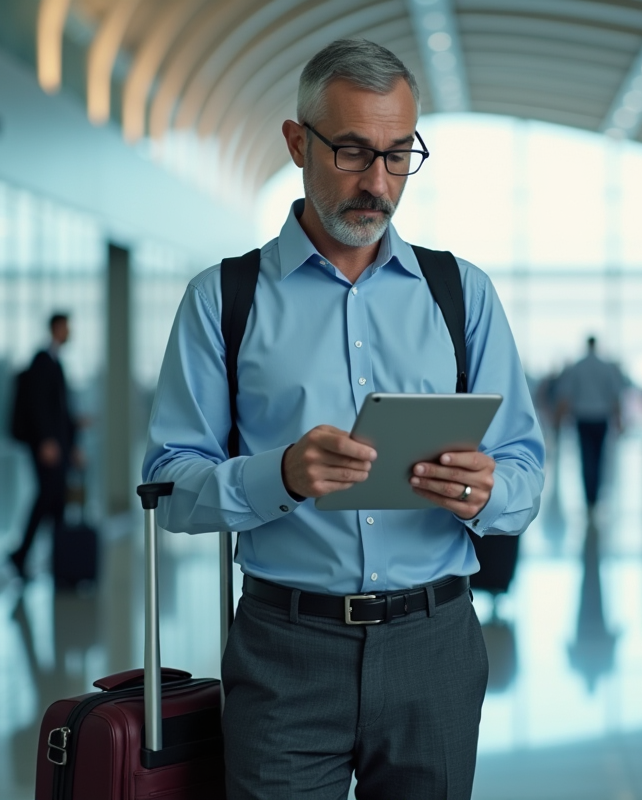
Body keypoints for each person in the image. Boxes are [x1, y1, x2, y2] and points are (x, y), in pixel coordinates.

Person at [142, 39, 545, 800]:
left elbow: (525, 473)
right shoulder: (222, 300)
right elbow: (167, 483)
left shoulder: (463, 295)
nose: (378, 182)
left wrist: (487, 491)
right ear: (298, 143)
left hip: (437, 644)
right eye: (353, 152)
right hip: (285, 651)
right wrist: (281, 475)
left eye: (400, 156)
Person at [10, 313, 81, 580]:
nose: (69, 332)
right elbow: (39, 405)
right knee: (47, 496)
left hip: (57, 444)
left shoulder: (55, 362)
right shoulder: (42, 361)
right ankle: (22, 553)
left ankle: (57, 558)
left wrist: (72, 442)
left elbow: (59, 410)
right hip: (47, 446)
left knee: (57, 499)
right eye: (66, 327)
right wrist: (46, 440)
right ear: (56, 328)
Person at [557, 336, 625, 510]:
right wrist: (618, 420)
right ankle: (595, 497)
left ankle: (589, 498)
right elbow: (614, 395)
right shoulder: (606, 367)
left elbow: (567, 395)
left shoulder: (578, 367)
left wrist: (560, 419)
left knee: (586, 458)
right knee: (599, 458)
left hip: (583, 418)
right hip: (601, 418)